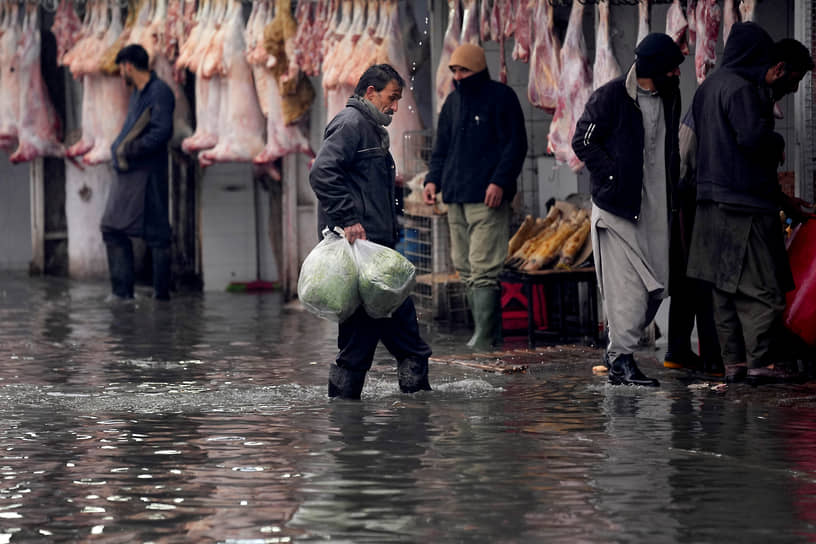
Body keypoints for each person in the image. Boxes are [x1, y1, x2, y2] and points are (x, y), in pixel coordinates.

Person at [686, 25, 814, 383]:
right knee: (764, 291)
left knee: (723, 289)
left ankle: (735, 364)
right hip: (744, 207)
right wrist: (776, 143)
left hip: (710, 204)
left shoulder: (708, 87)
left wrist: (786, 203)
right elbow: (752, 141)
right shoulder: (742, 89)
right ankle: (762, 362)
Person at [309, 64, 432, 400]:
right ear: (370, 92)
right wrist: (348, 218)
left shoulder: (369, 127)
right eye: (392, 98)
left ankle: (404, 412)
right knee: (361, 345)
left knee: (401, 340)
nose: (395, 107)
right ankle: (355, 420)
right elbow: (322, 173)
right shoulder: (351, 124)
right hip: (362, 253)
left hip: (377, 253)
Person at [572, 33, 686, 387]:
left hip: (655, 208)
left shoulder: (670, 97)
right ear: (656, 69)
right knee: (626, 290)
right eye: (673, 69)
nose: (678, 75)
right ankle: (621, 359)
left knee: (657, 286)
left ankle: (616, 350)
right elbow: (583, 141)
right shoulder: (610, 97)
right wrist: (612, 176)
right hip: (617, 211)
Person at [421, 43, 527, 351]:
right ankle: (487, 335)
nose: (458, 75)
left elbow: (515, 145)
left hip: (487, 197)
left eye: (463, 70)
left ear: (479, 69)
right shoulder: (452, 102)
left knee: (483, 267)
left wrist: (500, 181)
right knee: (465, 267)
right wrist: (432, 181)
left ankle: (483, 339)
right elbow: (441, 149)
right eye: (454, 70)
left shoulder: (501, 97)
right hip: (455, 196)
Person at [101, 44, 175, 301]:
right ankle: (123, 293)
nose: (121, 73)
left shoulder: (159, 92)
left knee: (157, 234)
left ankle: (161, 298)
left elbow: (161, 132)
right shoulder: (138, 94)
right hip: (131, 172)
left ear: (128, 66)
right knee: (112, 228)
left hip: (149, 172)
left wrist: (132, 149)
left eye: (122, 67)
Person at [663, 110, 724, 377]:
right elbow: (684, 159)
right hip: (691, 203)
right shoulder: (709, 106)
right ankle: (710, 358)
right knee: (700, 279)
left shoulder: (707, 102)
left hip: (687, 202)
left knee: (686, 280)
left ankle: (678, 351)